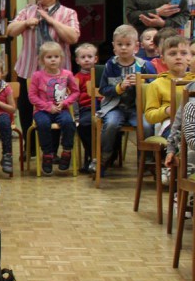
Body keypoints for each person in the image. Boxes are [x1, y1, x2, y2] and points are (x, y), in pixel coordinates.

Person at [7, 0, 80, 134]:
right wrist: (25, 23)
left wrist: (51, 21)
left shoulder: (68, 13)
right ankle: (29, 150)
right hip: (29, 71)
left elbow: (73, 37)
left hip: (57, 75)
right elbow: (10, 30)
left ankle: (50, 152)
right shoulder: (28, 10)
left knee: (55, 111)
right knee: (26, 110)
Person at [97, 25, 156, 176]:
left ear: (136, 47)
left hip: (138, 108)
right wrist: (119, 87)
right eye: (120, 44)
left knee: (147, 125)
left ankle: (145, 162)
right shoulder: (111, 65)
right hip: (115, 107)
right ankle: (104, 159)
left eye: (128, 44)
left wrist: (141, 86)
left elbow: (155, 88)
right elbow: (103, 89)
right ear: (114, 47)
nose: (123, 48)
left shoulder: (144, 66)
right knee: (110, 124)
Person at [29, 42, 79, 175]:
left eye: (56, 56)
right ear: (42, 60)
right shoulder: (37, 76)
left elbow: (75, 92)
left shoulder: (67, 74)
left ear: (61, 59)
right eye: (49, 57)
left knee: (69, 123)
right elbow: (32, 96)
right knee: (43, 123)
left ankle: (67, 151)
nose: (53, 59)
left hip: (62, 109)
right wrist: (47, 106)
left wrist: (66, 102)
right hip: (42, 111)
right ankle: (47, 153)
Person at [144, 34, 193, 139]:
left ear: (190, 57)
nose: (179, 57)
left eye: (184, 53)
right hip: (170, 123)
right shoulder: (156, 84)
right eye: (173, 54)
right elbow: (149, 116)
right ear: (163, 59)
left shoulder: (193, 81)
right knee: (182, 137)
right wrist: (167, 111)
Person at [74, 43, 99, 173]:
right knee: (83, 125)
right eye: (83, 57)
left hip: (102, 108)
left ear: (96, 59)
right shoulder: (76, 78)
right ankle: (92, 155)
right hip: (86, 109)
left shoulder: (101, 74)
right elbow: (74, 98)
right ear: (77, 60)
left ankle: (103, 156)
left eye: (90, 56)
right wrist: (76, 116)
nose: (87, 59)